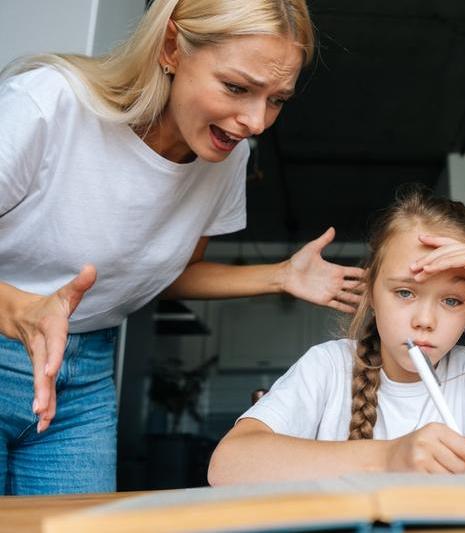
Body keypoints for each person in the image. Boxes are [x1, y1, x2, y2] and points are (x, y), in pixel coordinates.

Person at [0, 0, 364, 495]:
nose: (256, 121)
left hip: (84, 375)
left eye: (277, 99)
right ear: (171, 46)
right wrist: (17, 307)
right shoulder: (50, 103)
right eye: (237, 88)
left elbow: (169, 274)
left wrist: (280, 276)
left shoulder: (225, 159)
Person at [207, 188, 465, 484]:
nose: (425, 320)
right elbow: (227, 466)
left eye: (451, 300)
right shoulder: (330, 367)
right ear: (371, 292)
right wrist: (389, 457)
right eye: (405, 293)